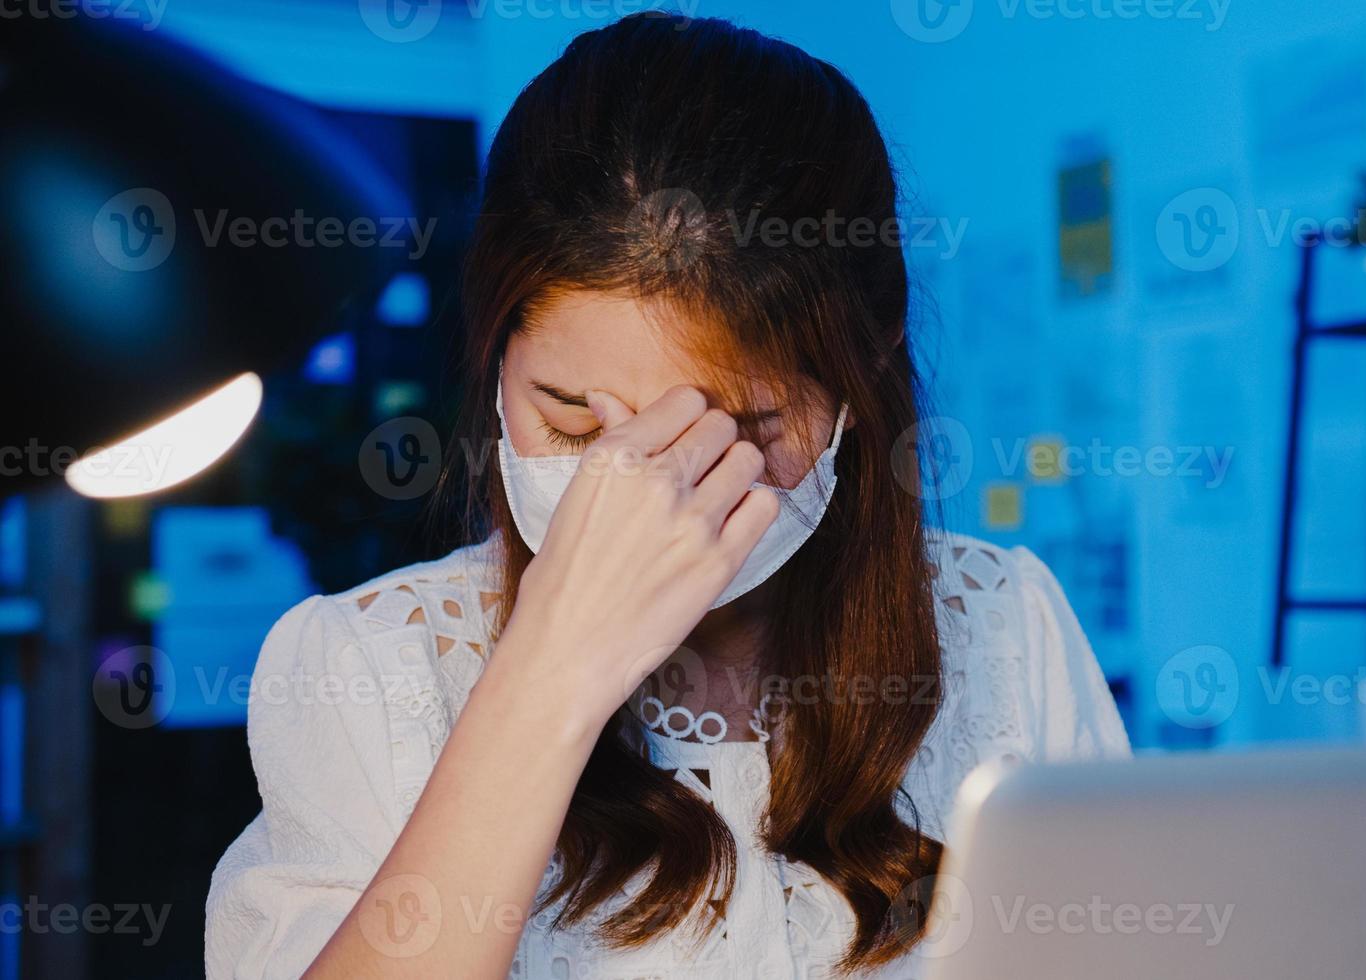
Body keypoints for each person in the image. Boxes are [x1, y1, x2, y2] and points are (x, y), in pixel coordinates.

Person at [206, 13, 1128, 978]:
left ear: (866, 373)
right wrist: (551, 670)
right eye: (571, 421)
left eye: (740, 432)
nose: (644, 493)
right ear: (494, 356)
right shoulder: (370, 667)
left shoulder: (1004, 626)